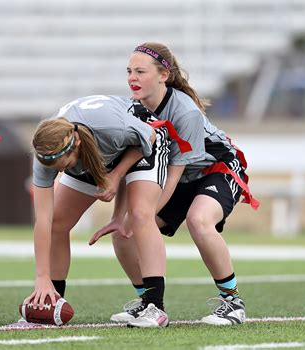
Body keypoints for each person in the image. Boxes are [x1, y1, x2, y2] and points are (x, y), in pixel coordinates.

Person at [90, 42, 259, 326]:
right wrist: (121, 218)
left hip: (216, 170)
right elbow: (134, 168)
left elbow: (174, 174)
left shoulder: (185, 111)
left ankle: (233, 302)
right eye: (129, 71)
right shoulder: (132, 111)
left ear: (163, 75)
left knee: (198, 220)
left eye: (141, 71)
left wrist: (142, 217)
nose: (132, 77)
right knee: (124, 232)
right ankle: (148, 302)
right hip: (178, 176)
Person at [27, 94, 172, 328]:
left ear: (76, 144)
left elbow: (150, 136)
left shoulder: (110, 127)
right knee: (57, 224)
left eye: (64, 167)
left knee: (139, 215)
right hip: (98, 154)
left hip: (144, 142)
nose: (60, 172)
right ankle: (52, 299)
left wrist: (115, 175)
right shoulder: (46, 156)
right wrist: (41, 277)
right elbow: (43, 220)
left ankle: (155, 307)